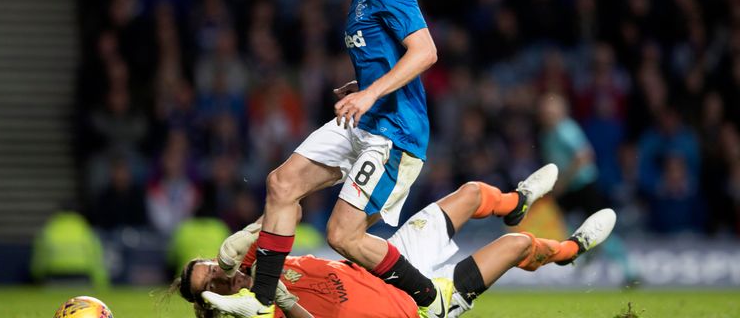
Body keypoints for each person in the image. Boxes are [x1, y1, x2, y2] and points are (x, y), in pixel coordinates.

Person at [212, 0, 463, 317]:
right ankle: (259, 301)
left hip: (394, 133)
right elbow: (391, 58)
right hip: (362, 120)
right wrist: (364, 86)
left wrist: (370, 93)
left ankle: (430, 298)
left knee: (343, 236)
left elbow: (425, 51)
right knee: (281, 184)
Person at [173, 164, 618, 318]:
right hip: (417, 307)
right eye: (208, 283)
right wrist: (286, 302)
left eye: (208, 267)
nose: (215, 274)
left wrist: (247, 233)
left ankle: (515, 200)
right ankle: (569, 251)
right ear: (211, 302)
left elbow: (289, 211)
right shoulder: (256, 310)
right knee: (520, 245)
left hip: (393, 265)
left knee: (471, 193)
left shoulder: (258, 263)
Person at [537, 92, 638, 285]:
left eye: (551, 111)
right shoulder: (546, 135)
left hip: (584, 185)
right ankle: (586, 252)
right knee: (559, 222)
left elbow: (584, 156)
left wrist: (563, 181)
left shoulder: (565, 129)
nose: (547, 115)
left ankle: (630, 271)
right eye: (544, 112)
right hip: (569, 188)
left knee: (601, 230)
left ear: (561, 111)